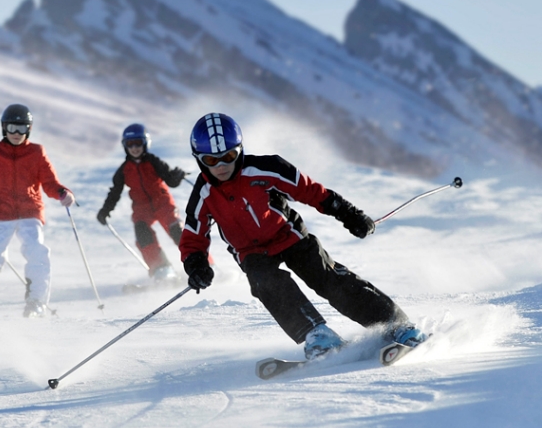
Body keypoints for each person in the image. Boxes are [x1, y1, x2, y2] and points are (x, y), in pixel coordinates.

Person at [178, 113, 425, 361]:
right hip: (251, 253)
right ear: (199, 160)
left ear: (239, 151)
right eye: (211, 160)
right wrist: (196, 265)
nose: (221, 166)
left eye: (229, 157)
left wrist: (348, 214)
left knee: (327, 278)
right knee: (266, 283)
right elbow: (193, 236)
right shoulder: (204, 193)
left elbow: (309, 190)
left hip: (289, 236)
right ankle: (318, 335)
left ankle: (396, 325)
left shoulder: (265, 168)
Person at [0, 104, 75, 322]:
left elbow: (50, 182)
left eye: (22, 128)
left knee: (37, 251)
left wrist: (63, 193)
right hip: (0, 213)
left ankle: (36, 303)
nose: (16, 133)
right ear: (4, 128)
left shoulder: (36, 152)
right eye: (12, 127)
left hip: (29, 212)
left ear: (29, 130)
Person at [96, 124, 189, 284]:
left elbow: (170, 180)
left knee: (177, 231)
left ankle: (202, 262)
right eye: (130, 144)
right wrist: (105, 210)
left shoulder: (154, 162)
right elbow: (115, 192)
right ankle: (161, 269)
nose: (134, 148)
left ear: (145, 143)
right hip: (142, 208)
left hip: (162, 203)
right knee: (142, 233)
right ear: (125, 146)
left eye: (138, 143)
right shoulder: (124, 169)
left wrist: (176, 176)